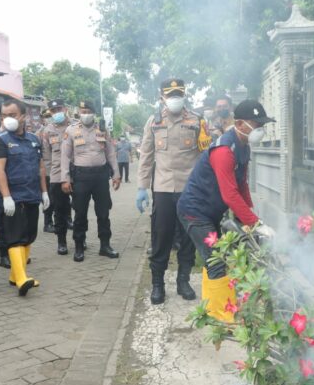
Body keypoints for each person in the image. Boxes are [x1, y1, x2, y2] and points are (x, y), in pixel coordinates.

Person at [177, 100, 275, 322]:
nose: (260, 129)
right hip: (195, 211)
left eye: (262, 125)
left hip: (210, 213)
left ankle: (213, 306)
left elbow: (242, 185)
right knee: (216, 259)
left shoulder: (243, 146)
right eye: (256, 124)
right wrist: (256, 224)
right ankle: (221, 318)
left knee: (214, 257)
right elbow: (229, 195)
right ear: (240, 124)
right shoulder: (224, 150)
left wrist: (249, 215)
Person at [136, 78, 211, 305]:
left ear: (184, 95)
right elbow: (146, 156)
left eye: (178, 94)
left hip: (189, 190)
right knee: (161, 237)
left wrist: (206, 188)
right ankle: (157, 284)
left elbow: (205, 157)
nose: (175, 98)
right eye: (170, 95)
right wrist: (142, 187)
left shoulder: (197, 121)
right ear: (162, 97)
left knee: (188, 236)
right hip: (163, 189)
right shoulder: (154, 122)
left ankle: (183, 280)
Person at [0, 99, 49, 296]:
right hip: (13, 198)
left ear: (23, 116)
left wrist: (44, 192)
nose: (7, 119)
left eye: (12, 115)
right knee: (14, 238)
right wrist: (6, 197)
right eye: (4, 115)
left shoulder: (33, 139)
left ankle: (15, 275)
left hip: (31, 195)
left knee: (28, 235)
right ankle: (22, 278)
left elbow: (40, 167)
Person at [61, 100, 121, 262]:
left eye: (88, 111)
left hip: (101, 177)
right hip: (81, 177)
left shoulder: (102, 129)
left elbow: (110, 153)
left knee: (103, 212)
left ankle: (105, 245)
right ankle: (79, 246)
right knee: (80, 213)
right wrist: (65, 179)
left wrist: (116, 174)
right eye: (82, 111)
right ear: (79, 113)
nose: (85, 114)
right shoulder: (71, 130)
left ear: (94, 113)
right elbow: (65, 156)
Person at [40, 99, 74, 255]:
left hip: (75, 173)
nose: (56, 113)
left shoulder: (75, 126)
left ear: (65, 109)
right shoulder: (47, 131)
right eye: (53, 111)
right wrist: (47, 178)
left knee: (79, 209)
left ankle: (81, 239)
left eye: (59, 109)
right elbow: (46, 157)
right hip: (56, 175)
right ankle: (62, 242)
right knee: (59, 211)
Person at [37, 108, 56, 234]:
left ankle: (67, 220)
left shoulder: (60, 129)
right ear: (43, 118)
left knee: (61, 198)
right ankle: (48, 222)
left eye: (51, 115)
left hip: (59, 170)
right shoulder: (39, 133)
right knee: (48, 198)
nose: (49, 118)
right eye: (46, 116)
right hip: (47, 170)